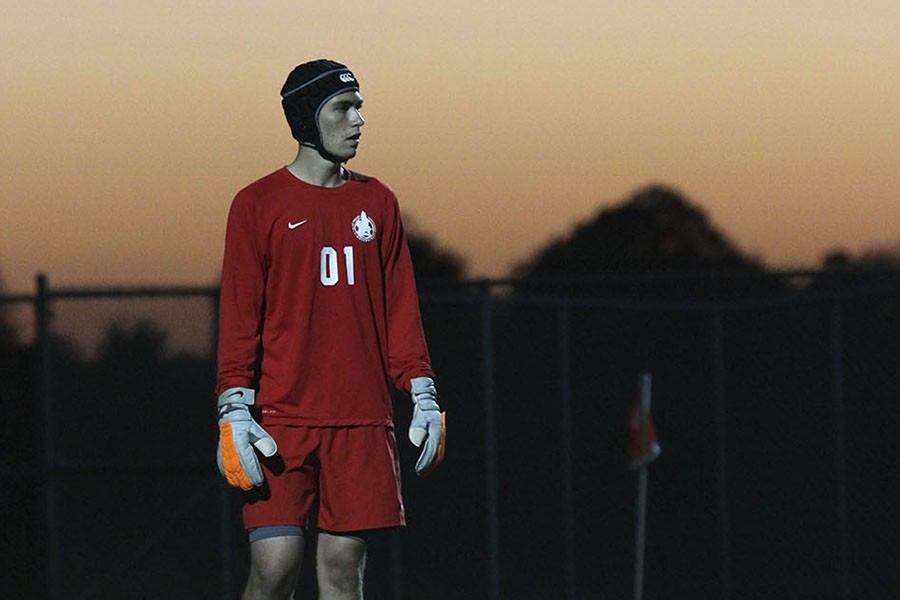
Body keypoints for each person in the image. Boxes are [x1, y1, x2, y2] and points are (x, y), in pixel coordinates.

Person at [215, 59, 446, 600]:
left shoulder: (378, 202)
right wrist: (232, 407)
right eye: (343, 108)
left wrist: (424, 393)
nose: (358, 120)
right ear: (305, 119)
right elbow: (240, 319)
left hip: (363, 420)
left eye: (360, 107)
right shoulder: (256, 205)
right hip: (280, 422)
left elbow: (400, 312)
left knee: (343, 571)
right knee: (275, 569)